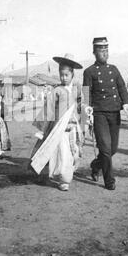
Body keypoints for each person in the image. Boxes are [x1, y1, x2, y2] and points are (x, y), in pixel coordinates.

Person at [29, 54, 86, 191]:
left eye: (66, 75)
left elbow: (82, 104)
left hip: (73, 128)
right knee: (62, 154)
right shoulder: (56, 91)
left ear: (72, 74)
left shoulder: (77, 89)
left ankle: (65, 173)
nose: (63, 78)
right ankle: (64, 180)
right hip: (59, 129)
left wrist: (85, 110)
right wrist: (43, 129)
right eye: (61, 75)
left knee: (72, 153)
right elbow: (48, 110)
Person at [83, 37, 128, 190]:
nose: (104, 53)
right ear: (94, 52)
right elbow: (86, 93)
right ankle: (109, 181)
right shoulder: (89, 71)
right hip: (99, 114)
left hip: (114, 113)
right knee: (105, 148)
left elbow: (122, 87)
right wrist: (87, 112)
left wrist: (126, 103)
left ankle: (95, 165)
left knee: (113, 149)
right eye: (101, 50)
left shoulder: (114, 69)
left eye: (106, 50)